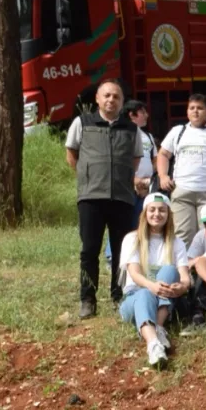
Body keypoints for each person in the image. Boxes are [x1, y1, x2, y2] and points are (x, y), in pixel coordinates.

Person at [66, 78, 145, 318]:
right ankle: (88, 299)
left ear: (122, 102)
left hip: (122, 197)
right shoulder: (82, 123)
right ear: (98, 99)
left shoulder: (132, 129)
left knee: (123, 250)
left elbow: (135, 159)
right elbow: (72, 154)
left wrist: (121, 177)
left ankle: (118, 295)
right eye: (107, 95)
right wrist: (89, 176)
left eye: (116, 96)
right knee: (89, 250)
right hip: (91, 197)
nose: (111, 100)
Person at [118, 193, 191, 368]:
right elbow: (135, 274)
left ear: (168, 214)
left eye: (162, 210)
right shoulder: (132, 239)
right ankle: (153, 344)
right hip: (134, 298)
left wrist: (181, 287)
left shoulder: (177, 243)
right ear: (145, 213)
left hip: (163, 301)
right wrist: (152, 286)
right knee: (144, 293)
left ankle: (158, 326)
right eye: (152, 210)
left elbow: (185, 277)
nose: (157, 214)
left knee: (169, 270)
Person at [156, 94, 206, 245]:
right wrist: (163, 176)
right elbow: (163, 154)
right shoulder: (178, 131)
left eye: (200, 108)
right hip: (182, 191)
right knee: (182, 235)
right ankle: (185, 261)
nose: (195, 111)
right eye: (192, 108)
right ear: (187, 112)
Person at [123, 99, 157, 217]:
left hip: (147, 188)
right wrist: (135, 181)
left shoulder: (148, 136)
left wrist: (147, 182)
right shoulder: (122, 134)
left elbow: (155, 160)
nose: (147, 115)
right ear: (132, 115)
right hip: (128, 187)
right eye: (142, 112)